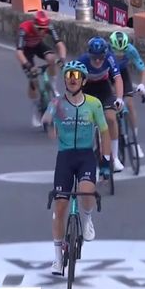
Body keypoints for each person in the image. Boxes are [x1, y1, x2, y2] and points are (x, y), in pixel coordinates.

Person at [40, 60, 111, 275]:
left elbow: (104, 131)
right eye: (69, 75)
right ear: (64, 79)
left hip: (86, 156)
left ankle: (87, 219)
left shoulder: (94, 104)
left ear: (83, 81)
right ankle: (57, 258)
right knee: (60, 207)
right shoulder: (57, 103)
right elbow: (47, 117)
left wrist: (106, 161)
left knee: (87, 191)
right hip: (65, 157)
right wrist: (48, 122)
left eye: (77, 76)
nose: (72, 79)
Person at [77, 36, 125, 172]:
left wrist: (119, 98)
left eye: (100, 58)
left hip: (104, 88)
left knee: (111, 118)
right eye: (94, 58)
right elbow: (74, 84)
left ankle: (114, 157)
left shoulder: (110, 58)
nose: (98, 61)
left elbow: (118, 79)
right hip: (87, 89)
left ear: (105, 55)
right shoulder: (82, 61)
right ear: (89, 55)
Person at [15, 10, 66, 127]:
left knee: (52, 58)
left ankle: (53, 85)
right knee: (33, 79)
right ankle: (35, 106)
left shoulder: (48, 27)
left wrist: (62, 59)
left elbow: (60, 44)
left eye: (44, 29)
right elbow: (19, 52)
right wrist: (28, 66)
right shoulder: (24, 29)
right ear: (34, 25)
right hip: (25, 51)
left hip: (38, 46)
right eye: (39, 29)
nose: (42, 32)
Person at [108, 31, 145, 158]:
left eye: (122, 52)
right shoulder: (105, 51)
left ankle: (135, 143)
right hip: (108, 74)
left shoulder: (131, 50)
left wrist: (142, 85)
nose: (120, 55)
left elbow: (143, 70)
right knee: (110, 102)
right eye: (116, 52)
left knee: (129, 103)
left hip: (122, 73)